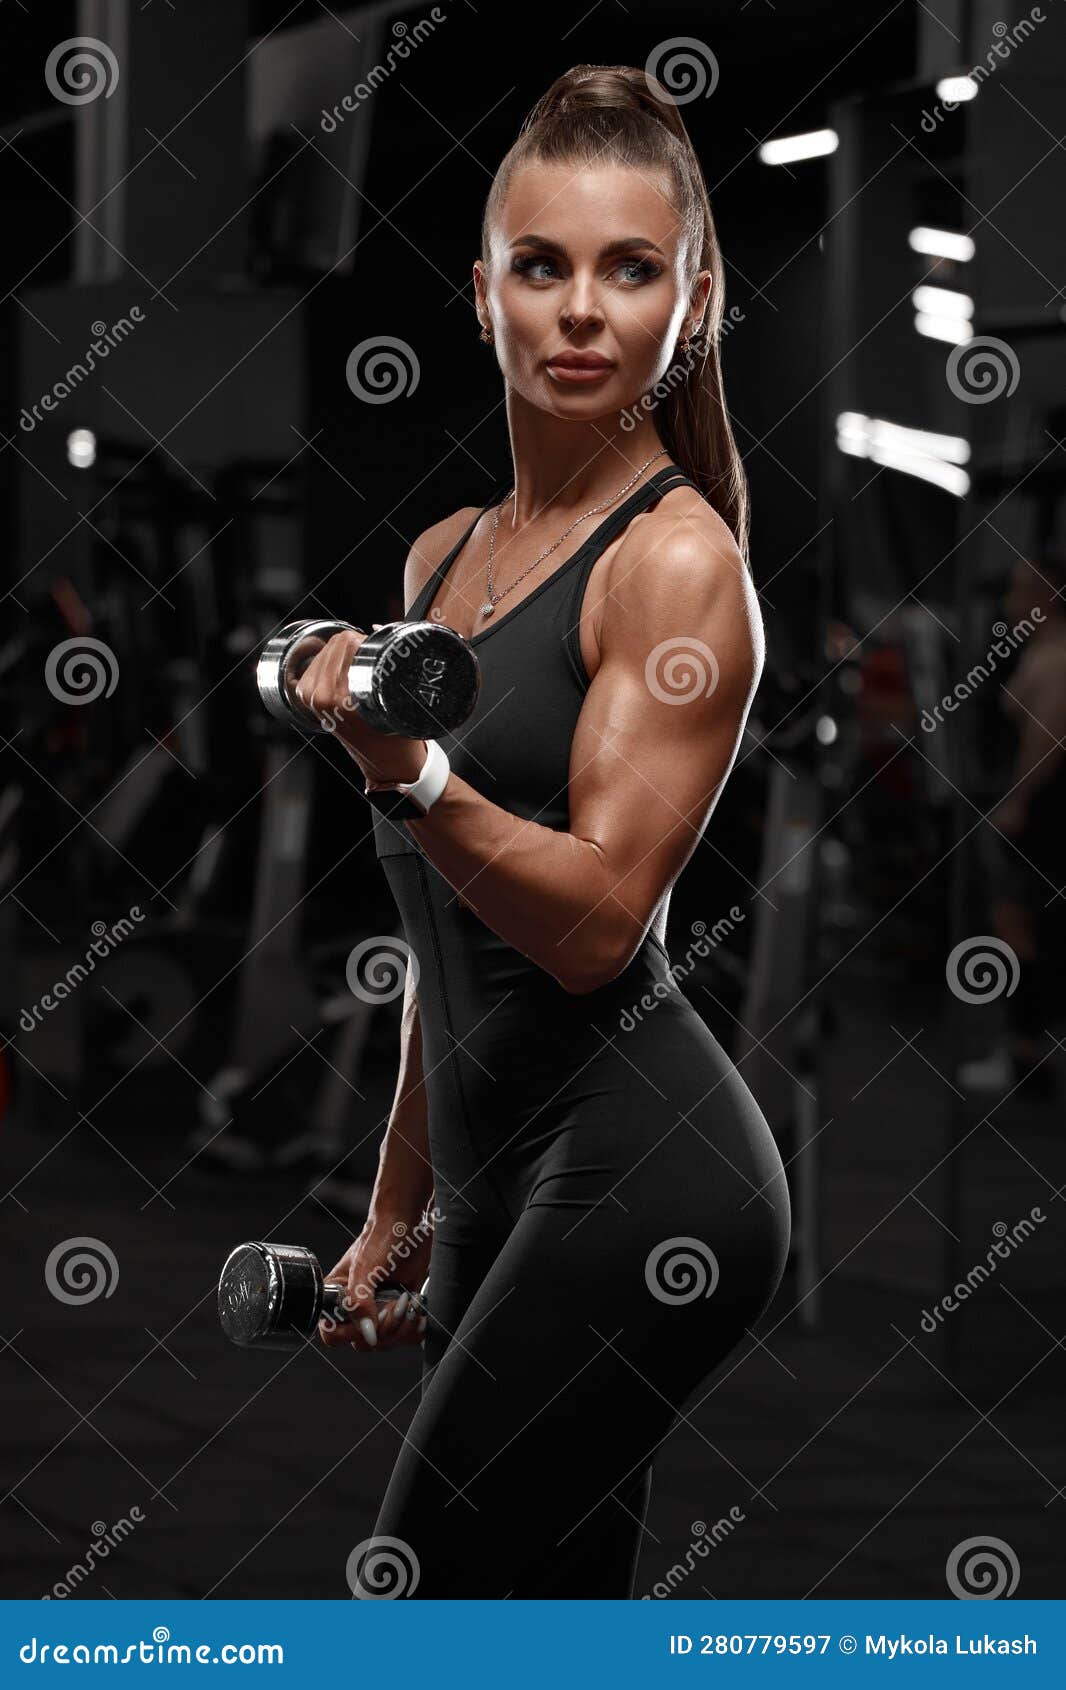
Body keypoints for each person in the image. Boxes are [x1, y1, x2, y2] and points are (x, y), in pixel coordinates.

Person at [297, 63, 791, 1598]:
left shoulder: (677, 563)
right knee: (547, 1619)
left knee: (424, 1593)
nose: (581, 309)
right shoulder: (444, 552)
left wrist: (408, 772)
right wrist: (396, 1205)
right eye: (543, 265)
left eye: (629, 269)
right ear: (483, 292)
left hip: (653, 1176)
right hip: (502, 1173)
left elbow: (586, 926)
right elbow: (446, 951)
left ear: (690, 302)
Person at [959, 551, 1066, 1096]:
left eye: (1024, 588)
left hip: (1042, 814)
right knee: (1023, 927)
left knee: (1021, 928)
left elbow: (1045, 742)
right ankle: (1027, 1052)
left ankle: (1027, 1055)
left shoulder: (1055, 659)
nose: (1012, 600)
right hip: (1039, 810)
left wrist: (1017, 804)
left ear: (1049, 595)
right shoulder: (1042, 653)